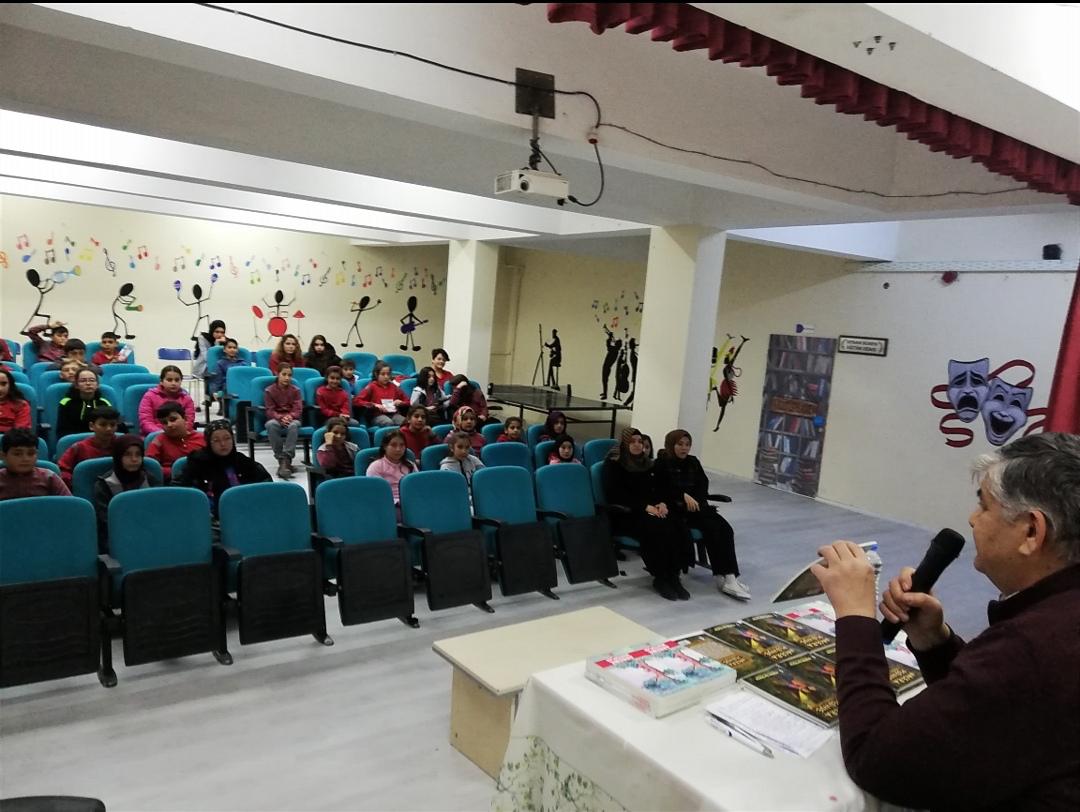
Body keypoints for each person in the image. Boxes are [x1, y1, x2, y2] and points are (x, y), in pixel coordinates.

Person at [810, 433, 1080, 811]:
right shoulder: (1056, 620)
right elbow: (993, 711)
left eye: (983, 505)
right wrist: (934, 641)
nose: (972, 518)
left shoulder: (1035, 647)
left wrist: (856, 615)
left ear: (1032, 531)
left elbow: (878, 758)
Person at [655, 429, 750, 600]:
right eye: (680, 444)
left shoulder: (693, 462)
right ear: (671, 445)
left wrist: (696, 500)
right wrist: (683, 495)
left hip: (696, 509)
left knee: (723, 529)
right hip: (675, 510)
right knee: (709, 529)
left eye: (687, 444)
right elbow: (662, 488)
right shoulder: (662, 463)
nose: (684, 448)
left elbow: (702, 485)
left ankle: (728, 576)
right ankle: (725, 576)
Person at [603, 428, 692, 601]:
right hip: (626, 514)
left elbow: (659, 488)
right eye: (632, 441)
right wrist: (645, 507)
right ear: (624, 444)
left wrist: (662, 503)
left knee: (675, 524)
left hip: (651, 509)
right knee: (656, 528)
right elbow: (615, 494)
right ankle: (661, 577)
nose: (637, 445)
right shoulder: (614, 464)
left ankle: (674, 576)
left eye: (640, 441)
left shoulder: (648, 464)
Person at [173, 419, 271, 516]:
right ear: (208, 442)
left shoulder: (242, 461)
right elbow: (180, 491)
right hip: (206, 517)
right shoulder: (197, 462)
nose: (223, 444)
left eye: (227, 438)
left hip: (244, 514)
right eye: (216, 440)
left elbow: (266, 486)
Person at [93, 434, 153, 550]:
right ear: (118, 457)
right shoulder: (104, 484)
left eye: (138, 454)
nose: (134, 459)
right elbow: (105, 521)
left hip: (150, 534)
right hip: (116, 539)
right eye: (127, 454)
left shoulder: (150, 479)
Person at [57, 406, 120, 486]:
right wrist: (76, 483)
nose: (108, 429)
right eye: (103, 424)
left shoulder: (122, 445)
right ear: (91, 426)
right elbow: (62, 470)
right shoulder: (79, 448)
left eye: (113, 425)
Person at [0, 428, 70, 499]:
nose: (26, 459)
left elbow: (69, 503)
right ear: (3, 456)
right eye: (17, 454)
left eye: (31, 453)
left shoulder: (49, 478)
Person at [146, 401, 207, 481]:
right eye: (164, 422)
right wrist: (176, 471)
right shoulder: (159, 441)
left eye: (173, 419)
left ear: (185, 419)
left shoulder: (203, 438)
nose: (169, 425)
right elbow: (150, 467)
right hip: (170, 484)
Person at [264, 362, 302, 479]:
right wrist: (280, 417)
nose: (287, 378)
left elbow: (298, 409)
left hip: (292, 418)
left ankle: (286, 459)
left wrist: (290, 416)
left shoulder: (296, 390)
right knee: (271, 425)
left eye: (289, 375)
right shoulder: (269, 390)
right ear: (277, 374)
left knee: (294, 426)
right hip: (276, 418)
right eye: (284, 374)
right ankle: (282, 460)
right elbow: (269, 410)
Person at [57, 367, 114, 439]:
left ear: (97, 385)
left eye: (92, 380)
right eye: (83, 381)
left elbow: (110, 426)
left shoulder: (104, 403)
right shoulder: (66, 402)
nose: (88, 383)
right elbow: (62, 430)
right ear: (76, 385)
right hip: (74, 441)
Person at [138, 365, 196, 435]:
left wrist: (177, 433)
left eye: (177, 380)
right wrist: (164, 433)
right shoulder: (149, 396)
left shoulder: (186, 398)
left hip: (180, 435)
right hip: (156, 434)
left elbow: (189, 422)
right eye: (169, 380)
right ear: (161, 381)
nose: (173, 383)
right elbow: (146, 423)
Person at [366, 429, 417, 506]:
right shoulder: (375, 466)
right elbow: (375, 493)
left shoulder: (410, 465)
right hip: (387, 505)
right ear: (385, 447)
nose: (398, 449)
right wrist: (397, 502)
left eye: (402, 445)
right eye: (393, 445)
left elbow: (417, 487)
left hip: (411, 502)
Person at [354, 361, 407, 427]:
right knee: (388, 422)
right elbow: (357, 401)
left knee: (405, 422)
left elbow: (408, 401)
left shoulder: (393, 387)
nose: (386, 377)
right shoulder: (372, 386)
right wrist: (374, 405)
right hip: (377, 415)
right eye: (383, 374)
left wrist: (401, 402)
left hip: (393, 414)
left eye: (388, 374)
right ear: (376, 374)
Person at [209, 337, 247, 407]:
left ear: (237, 350)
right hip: (227, 386)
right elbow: (217, 380)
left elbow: (246, 378)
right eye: (229, 347)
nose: (232, 349)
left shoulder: (243, 363)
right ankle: (225, 408)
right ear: (224, 350)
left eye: (234, 348)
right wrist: (214, 392)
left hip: (241, 386)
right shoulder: (220, 363)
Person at [0, 367, 31, 433]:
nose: (0, 389)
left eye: (4, 384)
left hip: (12, 439)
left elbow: (20, 432)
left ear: (10, 385)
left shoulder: (21, 405)